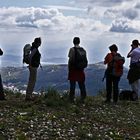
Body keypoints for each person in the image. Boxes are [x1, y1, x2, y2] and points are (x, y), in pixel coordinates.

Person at [68, 37, 88, 103]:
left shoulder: (72, 49)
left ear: (73, 42)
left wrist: (70, 68)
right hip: (81, 70)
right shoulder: (83, 50)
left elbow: (71, 59)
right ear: (79, 42)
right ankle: (83, 97)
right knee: (81, 84)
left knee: (73, 84)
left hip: (73, 69)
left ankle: (71, 98)